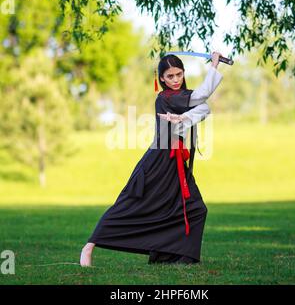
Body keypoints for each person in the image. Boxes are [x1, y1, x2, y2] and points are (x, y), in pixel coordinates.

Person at [80, 51, 223, 266]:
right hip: (158, 161)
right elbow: (202, 97)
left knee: (195, 208)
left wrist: (183, 117)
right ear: (162, 79)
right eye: (170, 76)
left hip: (175, 164)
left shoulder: (181, 98)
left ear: (183, 73)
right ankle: (89, 247)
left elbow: (204, 107)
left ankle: (173, 256)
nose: (175, 80)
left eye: (179, 74)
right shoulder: (166, 97)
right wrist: (214, 65)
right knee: (130, 204)